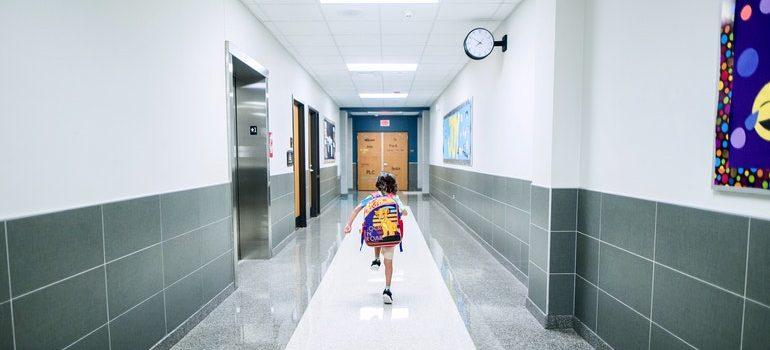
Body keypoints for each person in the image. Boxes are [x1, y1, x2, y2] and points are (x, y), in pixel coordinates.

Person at [343, 172, 407, 304]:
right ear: (393, 185)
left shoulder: (371, 197)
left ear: (378, 185)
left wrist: (348, 225)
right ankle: (387, 290)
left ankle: (376, 259)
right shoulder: (394, 198)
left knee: (377, 233)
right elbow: (404, 212)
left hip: (374, 234)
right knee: (388, 262)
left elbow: (356, 209)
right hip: (390, 235)